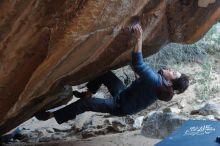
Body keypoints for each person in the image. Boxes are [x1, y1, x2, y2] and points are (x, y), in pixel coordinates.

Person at [35, 24, 189, 124]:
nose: (169, 69)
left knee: (85, 105)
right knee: (104, 74)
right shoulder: (162, 85)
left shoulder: (157, 82)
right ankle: (88, 93)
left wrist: (139, 38)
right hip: (124, 94)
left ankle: (50, 116)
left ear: (170, 82)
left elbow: (139, 64)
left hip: (120, 105)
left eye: (173, 73)